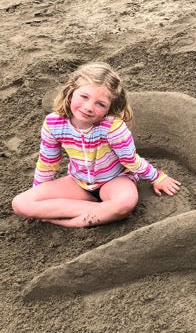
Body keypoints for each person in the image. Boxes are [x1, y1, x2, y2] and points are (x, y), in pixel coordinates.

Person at [11, 62, 181, 228]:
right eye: (84, 96)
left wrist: (157, 177)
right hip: (79, 182)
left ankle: (76, 221)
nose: (88, 107)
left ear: (109, 108)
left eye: (100, 104)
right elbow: (48, 162)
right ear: (71, 92)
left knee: (126, 202)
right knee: (20, 203)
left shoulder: (112, 127)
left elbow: (130, 160)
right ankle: (105, 212)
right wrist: (39, 199)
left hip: (114, 181)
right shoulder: (54, 123)